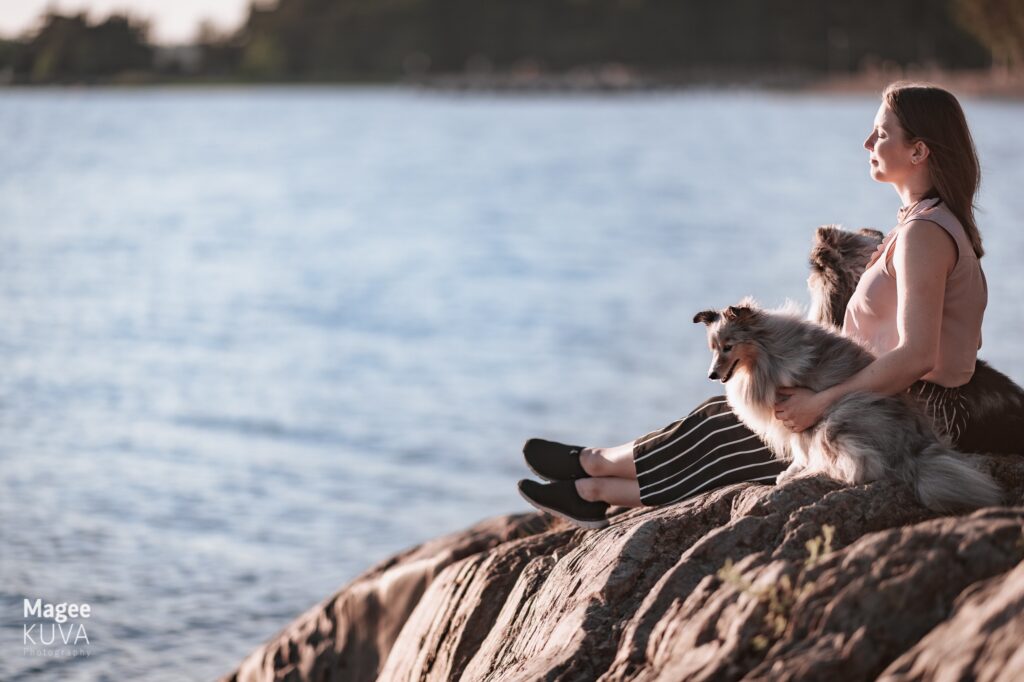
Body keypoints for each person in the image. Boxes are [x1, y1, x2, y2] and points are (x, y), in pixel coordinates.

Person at [517, 82, 988, 529]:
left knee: (726, 442)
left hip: (908, 410)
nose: (867, 142)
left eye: (882, 133)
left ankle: (594, 489)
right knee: (719, 414)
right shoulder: (919, 226)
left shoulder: (924, 236)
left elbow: (918, 355)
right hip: (877, 393)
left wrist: (821, 400)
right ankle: (591, 470)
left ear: (919, 151)